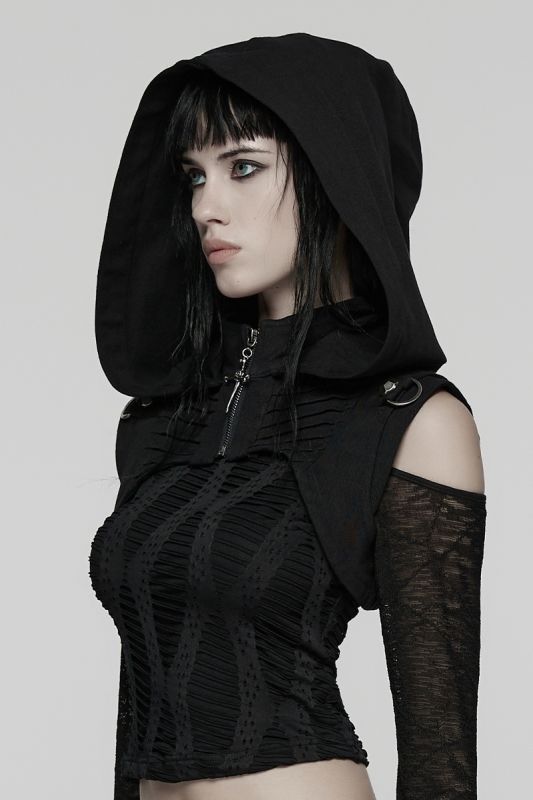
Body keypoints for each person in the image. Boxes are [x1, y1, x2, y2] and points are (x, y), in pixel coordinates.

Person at [88, 33, 487, 800]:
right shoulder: (166, 416)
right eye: (193, 176)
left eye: (242, 167)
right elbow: (139, 700)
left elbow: (440, 759)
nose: (206, 207)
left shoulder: (412, 420)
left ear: (333, 171)